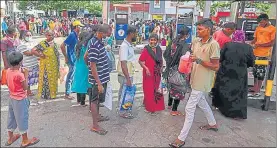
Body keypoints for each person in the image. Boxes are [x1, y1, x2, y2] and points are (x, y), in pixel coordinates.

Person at [169, 18, 220, 147]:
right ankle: (212, 123)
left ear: (208, 30)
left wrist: (199, 61)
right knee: (202, 102)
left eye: (200, 29)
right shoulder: (196, 41)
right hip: (193, 78)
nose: (198, 31)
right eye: (197, 29)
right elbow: (191, 55)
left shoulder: (214, 44)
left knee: (189, 108)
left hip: (203, 81)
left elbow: (215, 66)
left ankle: (181, 138)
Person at [213, 30, 255, 120]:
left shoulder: (228, 45)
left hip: (226, 71)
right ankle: (237, 113)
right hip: (240, 73)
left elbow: (220, 58)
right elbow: (251, 62)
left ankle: (223, 108)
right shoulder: (248, 47)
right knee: (238, 92)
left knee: (224, 89)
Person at [5, 51, 40, 147]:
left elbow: (8, 84)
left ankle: (10, 137)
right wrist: (26, 75)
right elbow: (25, 87)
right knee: (22, 118)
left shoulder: (7, 71)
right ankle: (25, 140)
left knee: (11, 117)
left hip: (12, 98)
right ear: (20, 62)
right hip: (20, 99)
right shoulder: (20, 75)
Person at [85, 24, 111, 135]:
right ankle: (95, 125)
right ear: (102, 33)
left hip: (101, 77)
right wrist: (98, 83)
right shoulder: (95, 44)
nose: (108, 36)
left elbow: (86, 56)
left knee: (98, 99)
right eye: (107, 34)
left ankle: (98, 117)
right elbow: (93, 64)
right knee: (94, 101)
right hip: (98, 79)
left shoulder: (96, 41)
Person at [163, 26, 191, 116]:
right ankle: (174, 110)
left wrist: (169, 64)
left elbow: (165, 54)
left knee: (171, 87)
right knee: (178, 89)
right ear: (186, 35)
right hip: (178, 70)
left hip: (169, 69)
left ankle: (169, 105)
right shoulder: (185, 45)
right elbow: (185, 59)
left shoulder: (172, 42)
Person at [249, 14, 276, 97]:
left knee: (260, 72)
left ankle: (258, 90)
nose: (260, 24)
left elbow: (272, 43)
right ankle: (255, 87)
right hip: (255, 53)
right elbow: (255, 39)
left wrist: (259, 45)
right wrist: (250, 44)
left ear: (266, 20)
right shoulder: (258, 28)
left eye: (261, 22)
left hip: (264, 54)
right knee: (254, 71)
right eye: (259, 22)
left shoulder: (273, 29)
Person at [139, 34, 165, 114]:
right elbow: (140, 61)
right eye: (151, 40)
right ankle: (150, 107)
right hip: (148, 73)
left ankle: (156, 106)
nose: (153, 42)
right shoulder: (146, 49)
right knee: (149, 90)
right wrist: (146, 68)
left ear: (157, 41)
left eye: (154, 40)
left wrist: (161, 68)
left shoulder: (159, 49)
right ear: (149, 40)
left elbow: (161, 60)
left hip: (157, 73)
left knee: (156, 89)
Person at [31, 30, 60, 100]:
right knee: (46, 80)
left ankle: (53, 94)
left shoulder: (55, 44)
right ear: (46, 36)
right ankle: (46, 95)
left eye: (52, 35)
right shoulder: (43, 43)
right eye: (49, 35)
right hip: (46, 66)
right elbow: (33, 50)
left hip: (54, 66)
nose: (51, 36)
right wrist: (40, 55)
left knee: (54, 80)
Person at [117, 25, 137, 119]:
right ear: (131, 34)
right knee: (124, 93)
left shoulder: (129, 45)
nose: (136, 35)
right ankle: (122, 112)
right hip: (125, 75)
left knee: (126, 92)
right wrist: (128, 78)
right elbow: (123, 63)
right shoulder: (124, 46)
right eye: (135, 33)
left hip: (128, 74)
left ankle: (124, 110)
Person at [60, 20, 84, 100]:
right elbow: (62, 45)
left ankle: (70, 90)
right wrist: (66, 57)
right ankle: (67, 93)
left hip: (74, 58)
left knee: (72, 75)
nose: (81, 28)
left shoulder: (76, 35)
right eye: (80, 26)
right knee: (70, 76)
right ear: (76, 27)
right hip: (71, 58)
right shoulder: (72, 35)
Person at [71, 31, 93, 106]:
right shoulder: (85, 46)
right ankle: (83, 102)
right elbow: (87, 56)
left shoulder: (77, 45)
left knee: (78, 82)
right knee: (84, 83)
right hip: (84, 66)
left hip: (78, 65)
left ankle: (79, 100)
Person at [17, 31, 39, 96]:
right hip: (27, 65)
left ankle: (30, 91)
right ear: (24, 36)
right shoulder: (22, 44)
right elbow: (28, 53)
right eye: (27, 35)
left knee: (33, 78)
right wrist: (35, 51)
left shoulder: (33, 43)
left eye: (30, 35)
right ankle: (28, 92)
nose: (29, 37)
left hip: (34, 63)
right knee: (27, 79)